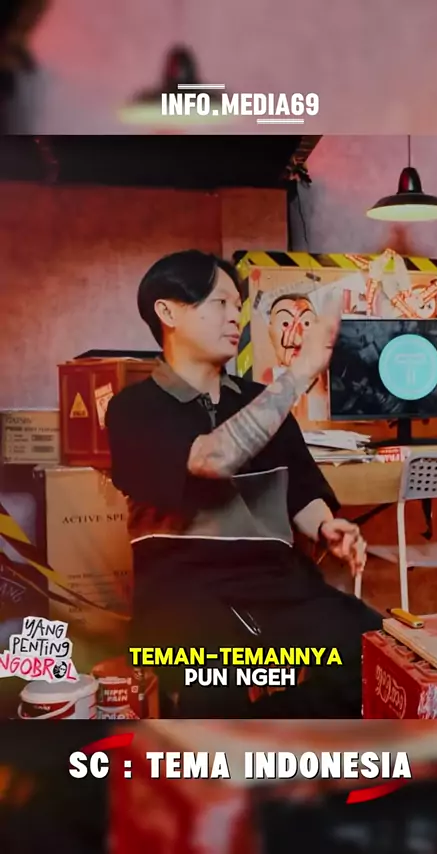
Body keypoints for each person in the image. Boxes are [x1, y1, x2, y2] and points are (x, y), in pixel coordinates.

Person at [106, 250, 382, 718]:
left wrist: (327, 527)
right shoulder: (133, 409)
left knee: (372, 652)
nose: (236, 316)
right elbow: (212, 459)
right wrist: (298, 374)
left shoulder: (260, 401)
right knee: (213, 679)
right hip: (182, 592)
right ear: (167, 312)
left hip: (276, 586)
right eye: (220, 303)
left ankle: (273, 745)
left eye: (238, 305)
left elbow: (302, 489)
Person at [261, 292, 329, 422]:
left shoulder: (327, 381)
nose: (297, 340)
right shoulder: (265, 383)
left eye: (306, 324)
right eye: (285, 324)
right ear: (270, 332)